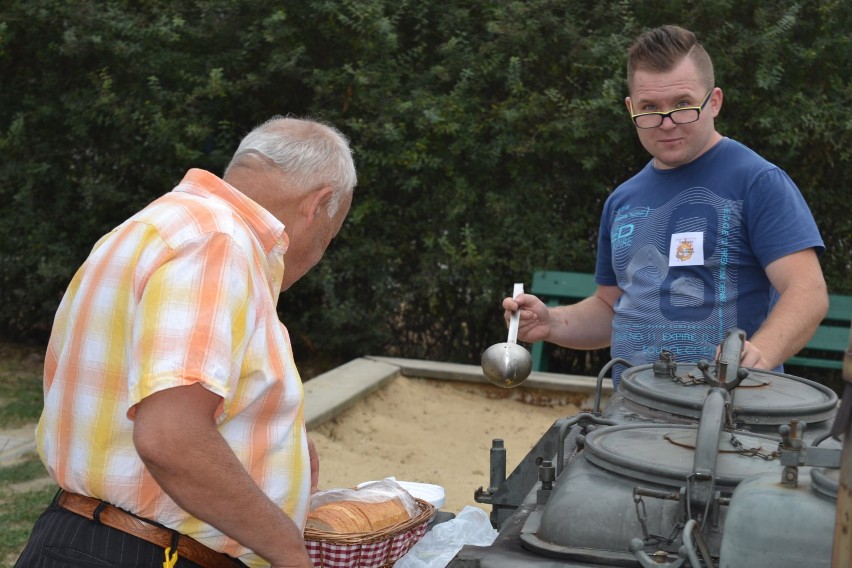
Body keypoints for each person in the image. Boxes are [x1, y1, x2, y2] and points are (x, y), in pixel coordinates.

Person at [16, 116, 357, 568]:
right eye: (328, 239)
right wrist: (291, 553)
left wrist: (277, 442)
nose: (317, 254)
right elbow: (170, 438)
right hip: (144, 553)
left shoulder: (155, 226)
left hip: (90, 538)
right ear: (319, 204)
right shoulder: (220, 244)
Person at [503, 25, 827, 387]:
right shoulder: (623, 200)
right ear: (630, 108)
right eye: (650, 108)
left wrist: (760, 353)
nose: (667, 123)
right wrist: (552, 323)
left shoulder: (757, 182)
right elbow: (611, 308)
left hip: (730, 417)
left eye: (683, 105)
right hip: (631, 418)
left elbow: (807, 292)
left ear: (714, 101)